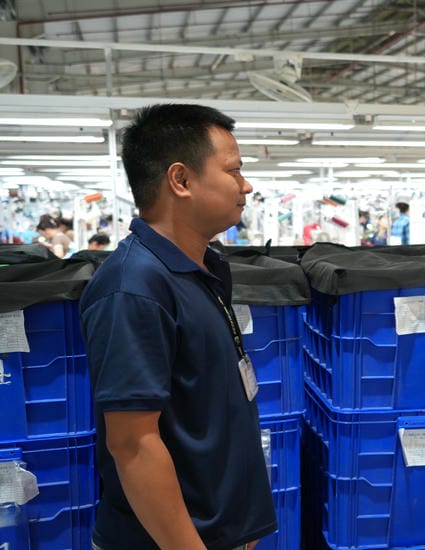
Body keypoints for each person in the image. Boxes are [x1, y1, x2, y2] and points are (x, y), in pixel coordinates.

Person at [79, 104, 276, 550]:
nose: (246, 185)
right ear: (181, 180)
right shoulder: (133, 287)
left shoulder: (200, 268)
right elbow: (133, 445)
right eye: (233, 170)